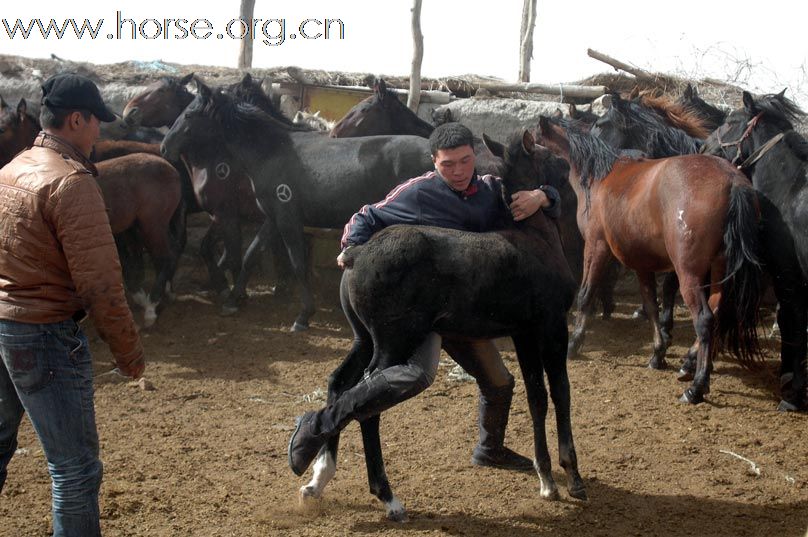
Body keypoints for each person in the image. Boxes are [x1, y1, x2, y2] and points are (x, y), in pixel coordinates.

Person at [289, 122, 561, 476]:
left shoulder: (492, 189)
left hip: (471, 311)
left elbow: (552, 199)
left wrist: (544, 196)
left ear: (474, 157)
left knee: (499, 381)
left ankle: (489, 448)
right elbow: (367, 214)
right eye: (448, 164)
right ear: (434, 161)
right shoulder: (416, 193)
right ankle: (321, 423)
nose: (459, 171)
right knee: (415, 375)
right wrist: (350, 246)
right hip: (426, 308)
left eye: (465, 161)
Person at [0, 73, 145, 537]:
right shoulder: (73, 183)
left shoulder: (13, 168)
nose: (99, 132)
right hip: (43, 334)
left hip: (3, 324)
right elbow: (100, 285)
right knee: (75, 471)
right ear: (75, 119)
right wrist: (128, 352)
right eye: (95, 122)